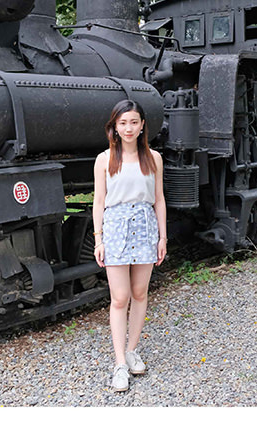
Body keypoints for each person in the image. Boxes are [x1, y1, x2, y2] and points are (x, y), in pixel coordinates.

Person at [92, 99, 166, 392]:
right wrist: (98, 238)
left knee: (139, 292)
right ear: (114, 126)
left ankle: (132, 349)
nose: (128, 128)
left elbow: (159, 199)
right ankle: (120, 363)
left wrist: (162, 237)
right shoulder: (104, 159)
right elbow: (99, 201)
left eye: (134, 122)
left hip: (146, 226)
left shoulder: (154, 158)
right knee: (120, 297)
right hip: (115, 228)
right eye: (123, 123)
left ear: (142, 125)